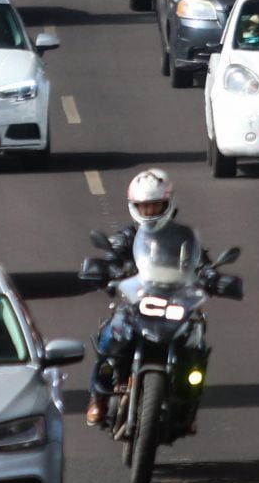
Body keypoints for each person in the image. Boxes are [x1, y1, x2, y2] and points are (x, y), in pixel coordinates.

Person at [85, 169, 208, 427]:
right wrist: (109, 270)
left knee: (195, 342)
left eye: (155, 206)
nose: (150, 212)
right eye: (144, 207)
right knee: (112, 336)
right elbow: (113, 254)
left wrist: (212, 275)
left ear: (168, 203)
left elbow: (201, 261)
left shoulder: (182, 236)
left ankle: (188, 399)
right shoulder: (128, 236)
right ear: (134, 207)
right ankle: (99, 397)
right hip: (138, 301)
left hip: (175, 302)